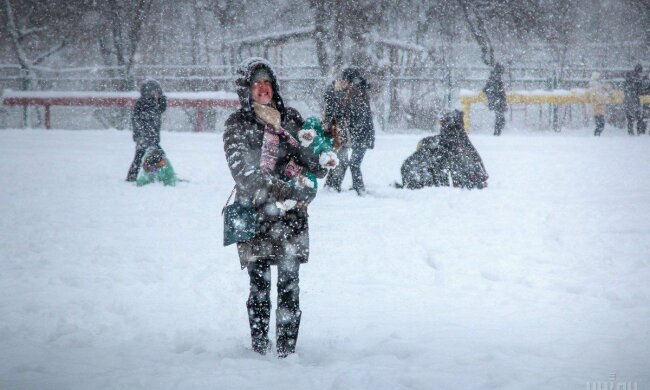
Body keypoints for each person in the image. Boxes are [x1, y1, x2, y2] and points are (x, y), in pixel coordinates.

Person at [223, 57, 325, 358]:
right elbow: (243, 172)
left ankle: (286, 349)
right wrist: (283, 189)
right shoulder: (237, 125)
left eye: (267, 82)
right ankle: (258, 347)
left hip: (292, 216)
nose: (263, 88)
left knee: (290, 283)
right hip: (256, 214)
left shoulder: (291, 119)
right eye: (256, 83)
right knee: (259, 283)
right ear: (247, 89)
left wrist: (326, 150)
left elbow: (313, 164)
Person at [323, 66, 375, 196]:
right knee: (344, 161)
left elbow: (347, 115)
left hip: (360, 136)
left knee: (353, 163)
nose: (343, 83)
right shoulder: (351, 93)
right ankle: (339, 186)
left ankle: (358, 189)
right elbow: (335, 111)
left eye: (345, 81)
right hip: (352, 135)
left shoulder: (356, 95)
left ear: (351, 82)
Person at [126, 79, 167, 181]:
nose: (157, 94)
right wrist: (141, 135)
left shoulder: (153, 103)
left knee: (145, 158)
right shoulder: (142, 104)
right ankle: (134, 177)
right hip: (145, 138)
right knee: (146, 157)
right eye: (155, 91)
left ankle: (138, 176)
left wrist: (162, 99)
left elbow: (161, 108)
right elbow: (138, 121)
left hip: (151, 137)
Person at [483, 63, 507, 136]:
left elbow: (486, 89)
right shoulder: (495, 78)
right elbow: (487, 89)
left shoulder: (494, 77)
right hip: (497, 100)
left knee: (499, 117)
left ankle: (497, 132)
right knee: (500, 117)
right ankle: (497, 132)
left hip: (497, 100)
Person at [623, 64, 646, 136]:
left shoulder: (629, 78)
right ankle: (640, 132)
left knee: (630, 118)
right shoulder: (637, 79)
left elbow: (625, 88)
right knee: (639, 117)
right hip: (635, 100)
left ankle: (631, 133)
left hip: (627, 100)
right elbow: (640, 89)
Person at [588, 72, 610, 136]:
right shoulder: (596, 87)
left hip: (597, 109)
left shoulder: (594, 86)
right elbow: (599, 98)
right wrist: (605, 97)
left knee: (600, 125)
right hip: (598, 109)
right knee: (601, 125)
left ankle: (597, 136)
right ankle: (596, 136)